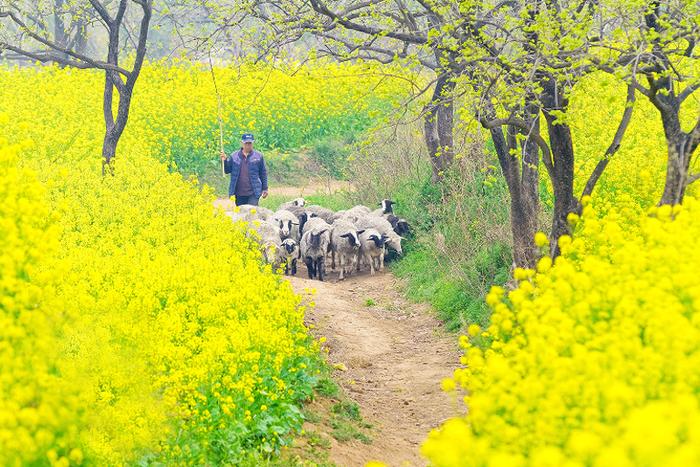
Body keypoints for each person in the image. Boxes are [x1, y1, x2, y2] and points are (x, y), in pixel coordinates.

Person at [220, 133, 269, 206]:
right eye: (246, 143)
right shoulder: (234, 156)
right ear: (242, 143)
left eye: (250, 143)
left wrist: (265, 189)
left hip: (253, 192)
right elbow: (227, 170)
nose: (248, 145)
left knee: (252, 212)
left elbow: (263, 173)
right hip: (239, 193)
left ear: (253, 143)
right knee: (241, 215)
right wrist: (224, 160)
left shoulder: (258, 156)